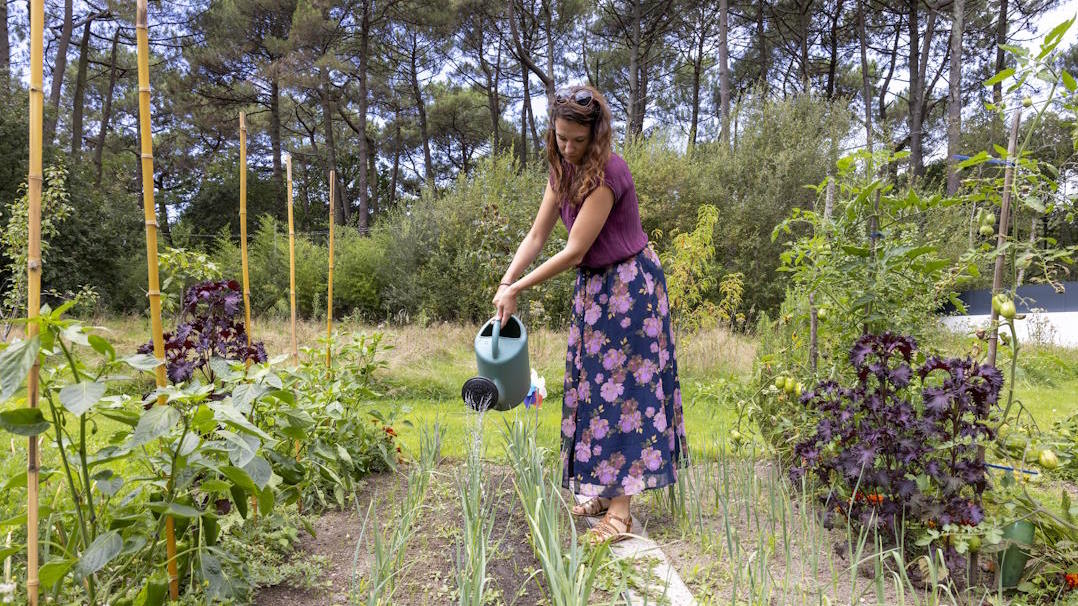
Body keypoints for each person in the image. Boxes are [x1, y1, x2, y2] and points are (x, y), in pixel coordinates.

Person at [492, 84, 689, 545]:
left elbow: (575, 249)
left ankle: (620, 514)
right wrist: (506, 281)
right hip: (597, 290)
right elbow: (538, 235)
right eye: (561, 137)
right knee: (592, 388)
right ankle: (603, 491)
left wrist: (520, 287)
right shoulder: (562, 169)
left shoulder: (608, 174)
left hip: (629, 289)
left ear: (596, 135)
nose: (568, 147)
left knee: (625, 396)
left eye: (577, 140)